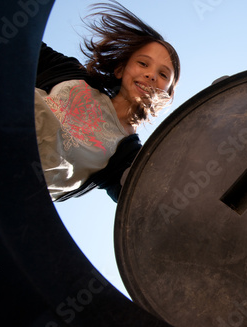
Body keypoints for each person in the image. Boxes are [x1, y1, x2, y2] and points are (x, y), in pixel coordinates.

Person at [34, 1, 181, 202]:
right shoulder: (72, 74)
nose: (150, 75)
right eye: (143, 63)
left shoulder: (128, 158)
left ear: (167, 94)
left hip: (5, 185)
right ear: (120, 70)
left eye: (163, 74)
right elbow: (22, 46)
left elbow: (149, 200)